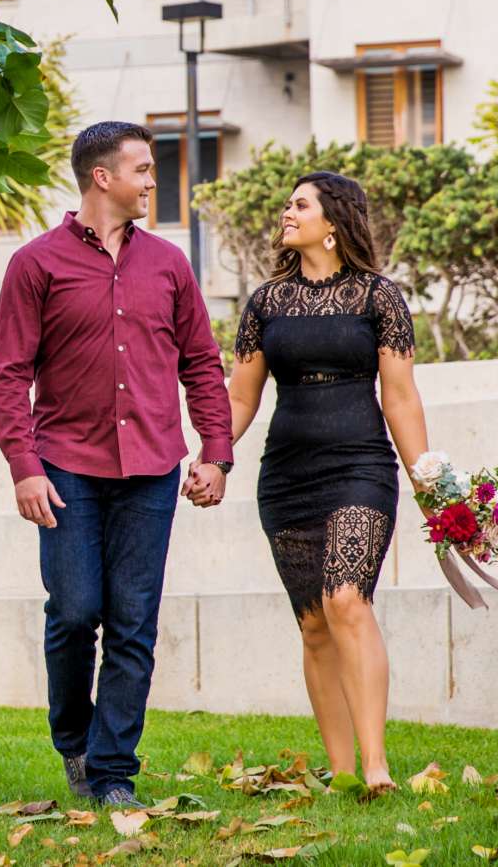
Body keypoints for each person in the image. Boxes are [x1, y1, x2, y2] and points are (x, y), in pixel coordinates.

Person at [0, 121, 235, 807]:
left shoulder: (169, 265)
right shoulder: (36, 264)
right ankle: (74, 737)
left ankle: (113, 772)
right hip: (65, 465)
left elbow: (201, 364)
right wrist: (24, 465)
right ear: (103, 176)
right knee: (75, 611)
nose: (153, 181)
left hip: (152, 468)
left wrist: (216, 451)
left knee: (133, 621)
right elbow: (9, 375)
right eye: (143, 169)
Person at [197, 171, 430, 794]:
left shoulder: (378, 297)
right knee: (313, 624)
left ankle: (377, 765)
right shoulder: (266, 302)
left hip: (360, 466)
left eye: (300, 205)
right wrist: (215, 456)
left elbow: (401, 397)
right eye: (288, 204)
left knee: (346, 600)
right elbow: (240, 397)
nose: (286, 212)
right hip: (287, 477)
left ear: (334, 222)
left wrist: (430, 480)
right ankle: (344, 771)